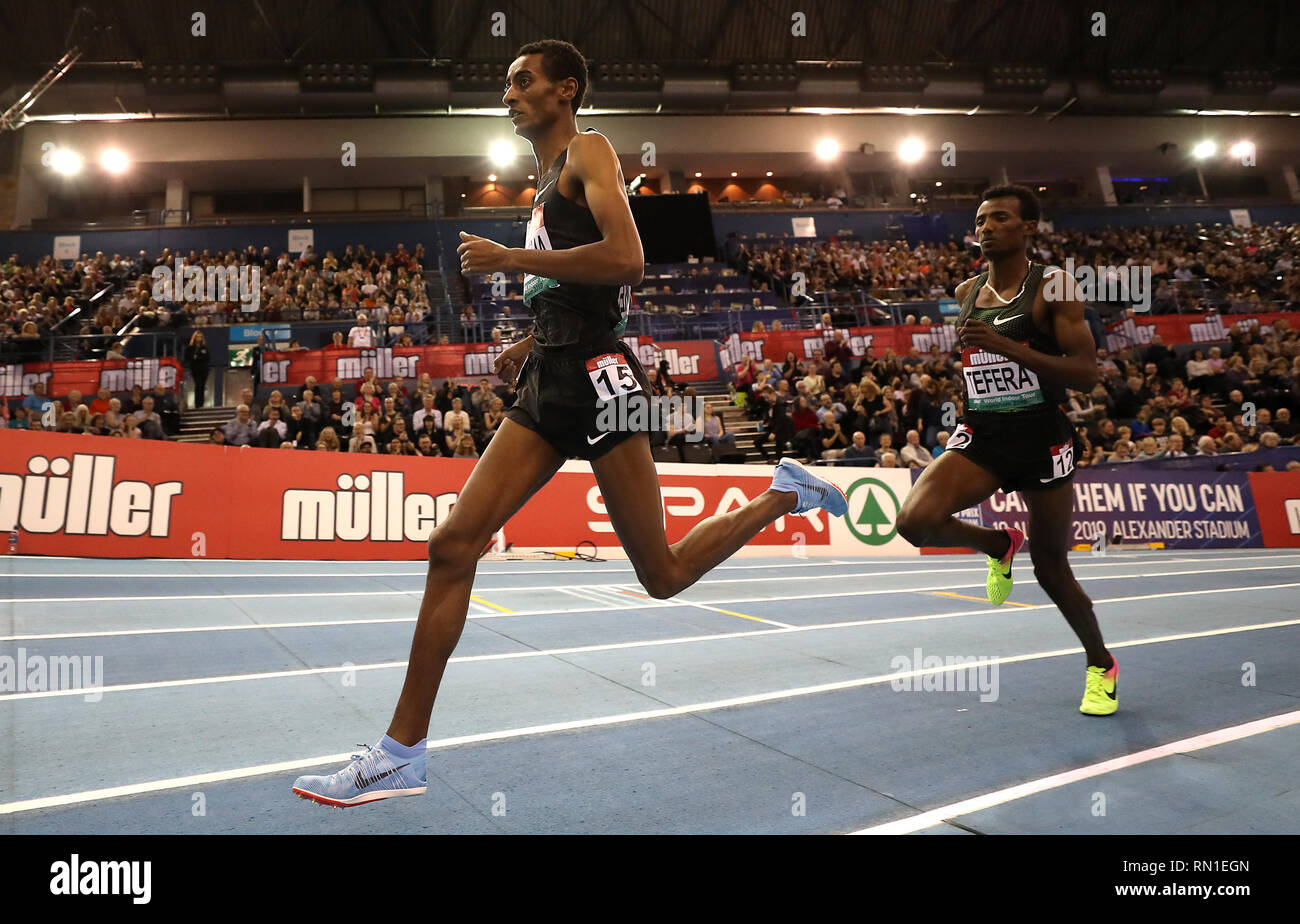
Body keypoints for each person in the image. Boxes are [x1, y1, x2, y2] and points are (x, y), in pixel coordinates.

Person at [292, 39, 848, 809]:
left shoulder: (590, 151)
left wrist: (514, 263)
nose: (509, 95)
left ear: (566, 89)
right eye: (507, 84)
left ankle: (781, 495)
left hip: (604, 379)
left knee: (661, 577)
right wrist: (528, 340)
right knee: (453, 543)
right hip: (555, 373)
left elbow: (627, 262)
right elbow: (589, 291)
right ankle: (401, 754)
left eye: (523, 82)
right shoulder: (542, 185)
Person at [894, 184, 1116, 717]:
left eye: (998, 218)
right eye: (980, 219)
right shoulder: (966, 290)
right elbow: (978, 366)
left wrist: (1009, 347)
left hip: (1041, 437)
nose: (985, 227)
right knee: (914, 521)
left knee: (1050, 569)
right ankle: (996, 543)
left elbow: (1086, 375)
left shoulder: (1054, 285)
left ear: (1028, 228)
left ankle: (1099, 664)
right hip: (984, 433)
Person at [184, 331, 211, 408]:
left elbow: (207, 357)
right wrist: (195, 358)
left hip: (204, 369)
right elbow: (187, 358)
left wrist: (198, 358)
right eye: (197, 337)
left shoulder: (204, 348)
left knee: (202, 386)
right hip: (195, 369)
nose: (199, 338)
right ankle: (197, 404)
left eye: (200, 337)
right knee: (198, 385)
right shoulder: (190, 348)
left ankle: (201, 403)